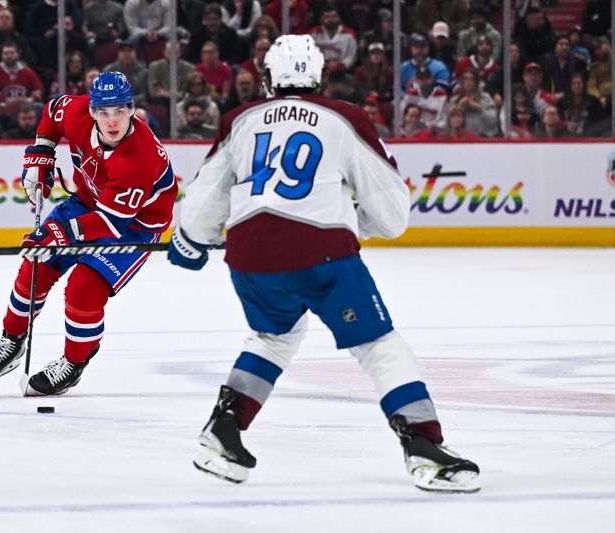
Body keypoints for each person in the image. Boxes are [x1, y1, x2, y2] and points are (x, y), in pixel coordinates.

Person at [167, 34, 480, 493]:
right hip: (323, 255)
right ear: (320, 76)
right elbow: (392, 216)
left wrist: (194, 240)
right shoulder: (344, 118)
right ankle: (423, 445)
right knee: (378, 344)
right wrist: (349, 220)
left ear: (267, 78)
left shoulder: (238, 119)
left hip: (250, 257)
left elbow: (198, 211)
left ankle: (222, 431)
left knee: (274, 337)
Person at [0, 72, 177, 396]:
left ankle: (74, 362)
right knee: (35, 267)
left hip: (134, 225)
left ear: (132, 110)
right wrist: (41, 154)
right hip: (87, 200)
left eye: (120, 111)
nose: (112, 121)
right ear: (93, 111)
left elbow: (110, 225)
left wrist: (56, 231)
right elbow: (52, 112)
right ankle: (12, 340)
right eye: (105, 112)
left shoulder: (140, 159)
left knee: (84, 288)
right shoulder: (77, 111)